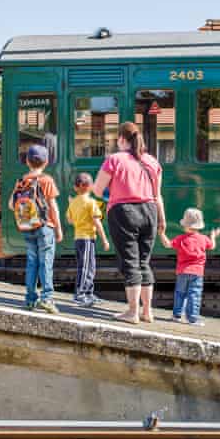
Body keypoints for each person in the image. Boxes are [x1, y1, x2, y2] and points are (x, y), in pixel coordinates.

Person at [93, 122, 165, 325]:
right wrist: (162, 219)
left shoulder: (114, 159)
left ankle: (133, 312)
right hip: (150, 211)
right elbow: (157, 195)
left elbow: (97, 190)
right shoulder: (152, 161)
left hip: (123, 212)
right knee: (144, 262)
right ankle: (147, 312)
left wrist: (113, 193)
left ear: (121, 139)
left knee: (130, 263)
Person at [9, 144, 62, 313]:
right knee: (46, 262)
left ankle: (30, 299)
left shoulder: (21, 181)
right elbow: (53, 207)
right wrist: (58, 228)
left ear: (27, 161)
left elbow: (11, 204)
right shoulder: (47, 180)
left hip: (28, 226)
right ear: (46, 162)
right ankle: (47, 299)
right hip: (45, 227)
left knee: (32, 262)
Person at [160, 208, 220, 326]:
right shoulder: (203, 239)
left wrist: (161, 234)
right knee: (194, 294)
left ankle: (176, 315)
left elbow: (167, 244)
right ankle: (192, 319)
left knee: (180, 293)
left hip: (182, 272)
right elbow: (212, 246)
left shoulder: (181, 238)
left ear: (185, 226)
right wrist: (213, 236)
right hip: (197, 273)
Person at [66, 172, 110, 307]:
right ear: (90, 186)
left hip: (79, 238)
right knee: (86, 268)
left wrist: (75, 212)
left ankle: (89, 294)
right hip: (87, 239)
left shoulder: (73, 202)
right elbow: (97, 222)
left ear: (76, 187)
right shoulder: (91, 202)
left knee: (88, 267)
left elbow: (69, 220)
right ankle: (80, 295)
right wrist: (105, 240)